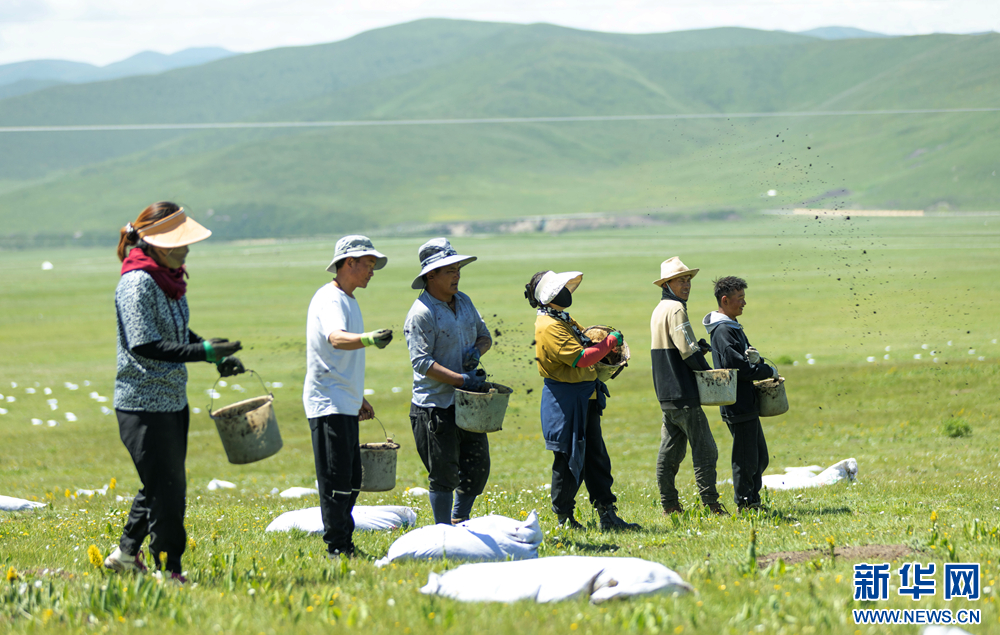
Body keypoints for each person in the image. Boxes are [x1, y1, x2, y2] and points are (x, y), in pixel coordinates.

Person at [106, 202, 245, 581]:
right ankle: (169, 572)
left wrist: (213, 355)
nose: (186, 249)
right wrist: (202, 352)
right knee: (168, 489)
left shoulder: (169, 279)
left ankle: (125, 555)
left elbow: (177, 334)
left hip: (171, 400)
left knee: (160, 481)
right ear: (158, 244)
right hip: (142, 404)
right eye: (180, 243)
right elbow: (144, 344)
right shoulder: (137, 283)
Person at [526, 270, 640, 531]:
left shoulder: (561, 317)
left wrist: (602, 345)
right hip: (566, 401)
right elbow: (582, 358)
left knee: (595, 457)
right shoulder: (548, 326)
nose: (566, 292)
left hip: (585, 395)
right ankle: (564, 518)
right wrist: (609, 343)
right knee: (568, 460)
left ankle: (607, 514)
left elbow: (586, 341)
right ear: (550, 296)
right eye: (560, 289)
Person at [303, 235, 393, 558]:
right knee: (337, 480)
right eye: (368, 264)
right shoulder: (330, 299)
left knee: (352, 479)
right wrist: (369, 339)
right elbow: (337, 339)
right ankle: (337, 548)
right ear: (349, 262)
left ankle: (344, 542)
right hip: (328, 402)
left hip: (344, 399)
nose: (372, 271)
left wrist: (358, 396)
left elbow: (340, 357)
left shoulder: (348, 299)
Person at [404, 238, 492, 525]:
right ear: (431, 275)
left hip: (468, 402)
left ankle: (459, 519)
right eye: (450, 271)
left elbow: (485, 336)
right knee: (443, 473)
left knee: (478, 467)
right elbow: (421, 363)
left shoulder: (464, 301)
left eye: (458, 270)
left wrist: (476, 352)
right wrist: (460, 379)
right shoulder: (421, 313)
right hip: (435, 406)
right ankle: (442, 530)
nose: (457, 276)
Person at [649, 257, 728, 516]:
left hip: (666, 392)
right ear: (667, 284)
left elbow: (677, 347)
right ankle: (711, 504)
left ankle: (669, 505)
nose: (686, 285)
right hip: (682, 390)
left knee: (669, 453)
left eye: (688, 280)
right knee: (706, 449)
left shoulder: (659, 309)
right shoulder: (676, 309)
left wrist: (697, 349)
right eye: (680, 281)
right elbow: (686, 350)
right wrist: (710, 374)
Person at [702, 276, 777, 512]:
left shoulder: (731, 326)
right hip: (737, 404)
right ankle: (746, 504)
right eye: (740, 298)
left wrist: (756, 360)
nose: (744, 302)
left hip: (745, 401)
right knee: (746, 458)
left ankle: (752, 499)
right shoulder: (724, 330)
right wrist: (766, 370)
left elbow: (745, 360)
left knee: (759, 456)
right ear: (725, 300)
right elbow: (739, 368)